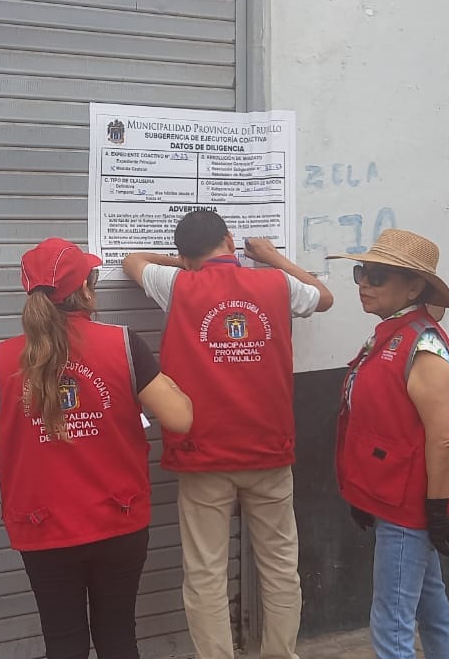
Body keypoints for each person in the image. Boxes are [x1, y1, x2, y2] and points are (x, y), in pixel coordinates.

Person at [122, 210, 333, 659]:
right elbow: (325, 297)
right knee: (279, 567)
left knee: (205, 573)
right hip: (269, 453)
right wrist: (274, 258)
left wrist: (184, 265)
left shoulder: (176, 284)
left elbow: (131, 259)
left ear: (185, 254)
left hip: (203, 457)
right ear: (230, 239)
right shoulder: (276, 283)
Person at [0, 237, 194, 659]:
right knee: (117, 638)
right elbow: (180, 419)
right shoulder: (122, 344)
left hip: (42, 526)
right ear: (86, 289)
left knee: (63, 643)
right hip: (116, 518)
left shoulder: (6, 357)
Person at [326, 229, 449, 659]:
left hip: (407, 508)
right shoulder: (391, 333)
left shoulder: (423, 345)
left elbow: (445, 438)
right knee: (431, 609)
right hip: (392, 498)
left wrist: (434, 509)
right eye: (361, 273)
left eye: (378, 276)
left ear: (414, 287)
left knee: (391, 627)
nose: (364, 284)